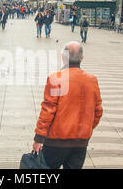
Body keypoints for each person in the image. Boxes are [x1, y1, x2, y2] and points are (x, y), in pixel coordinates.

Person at [32, 41, 103, 169]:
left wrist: (39, 138)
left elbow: (48, 111)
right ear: (82, 58)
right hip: (80, 143)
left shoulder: (56, 78)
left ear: (63, 57)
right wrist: (86, 128)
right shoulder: (92, 80)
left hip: (56, 142)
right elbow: (98, 111)